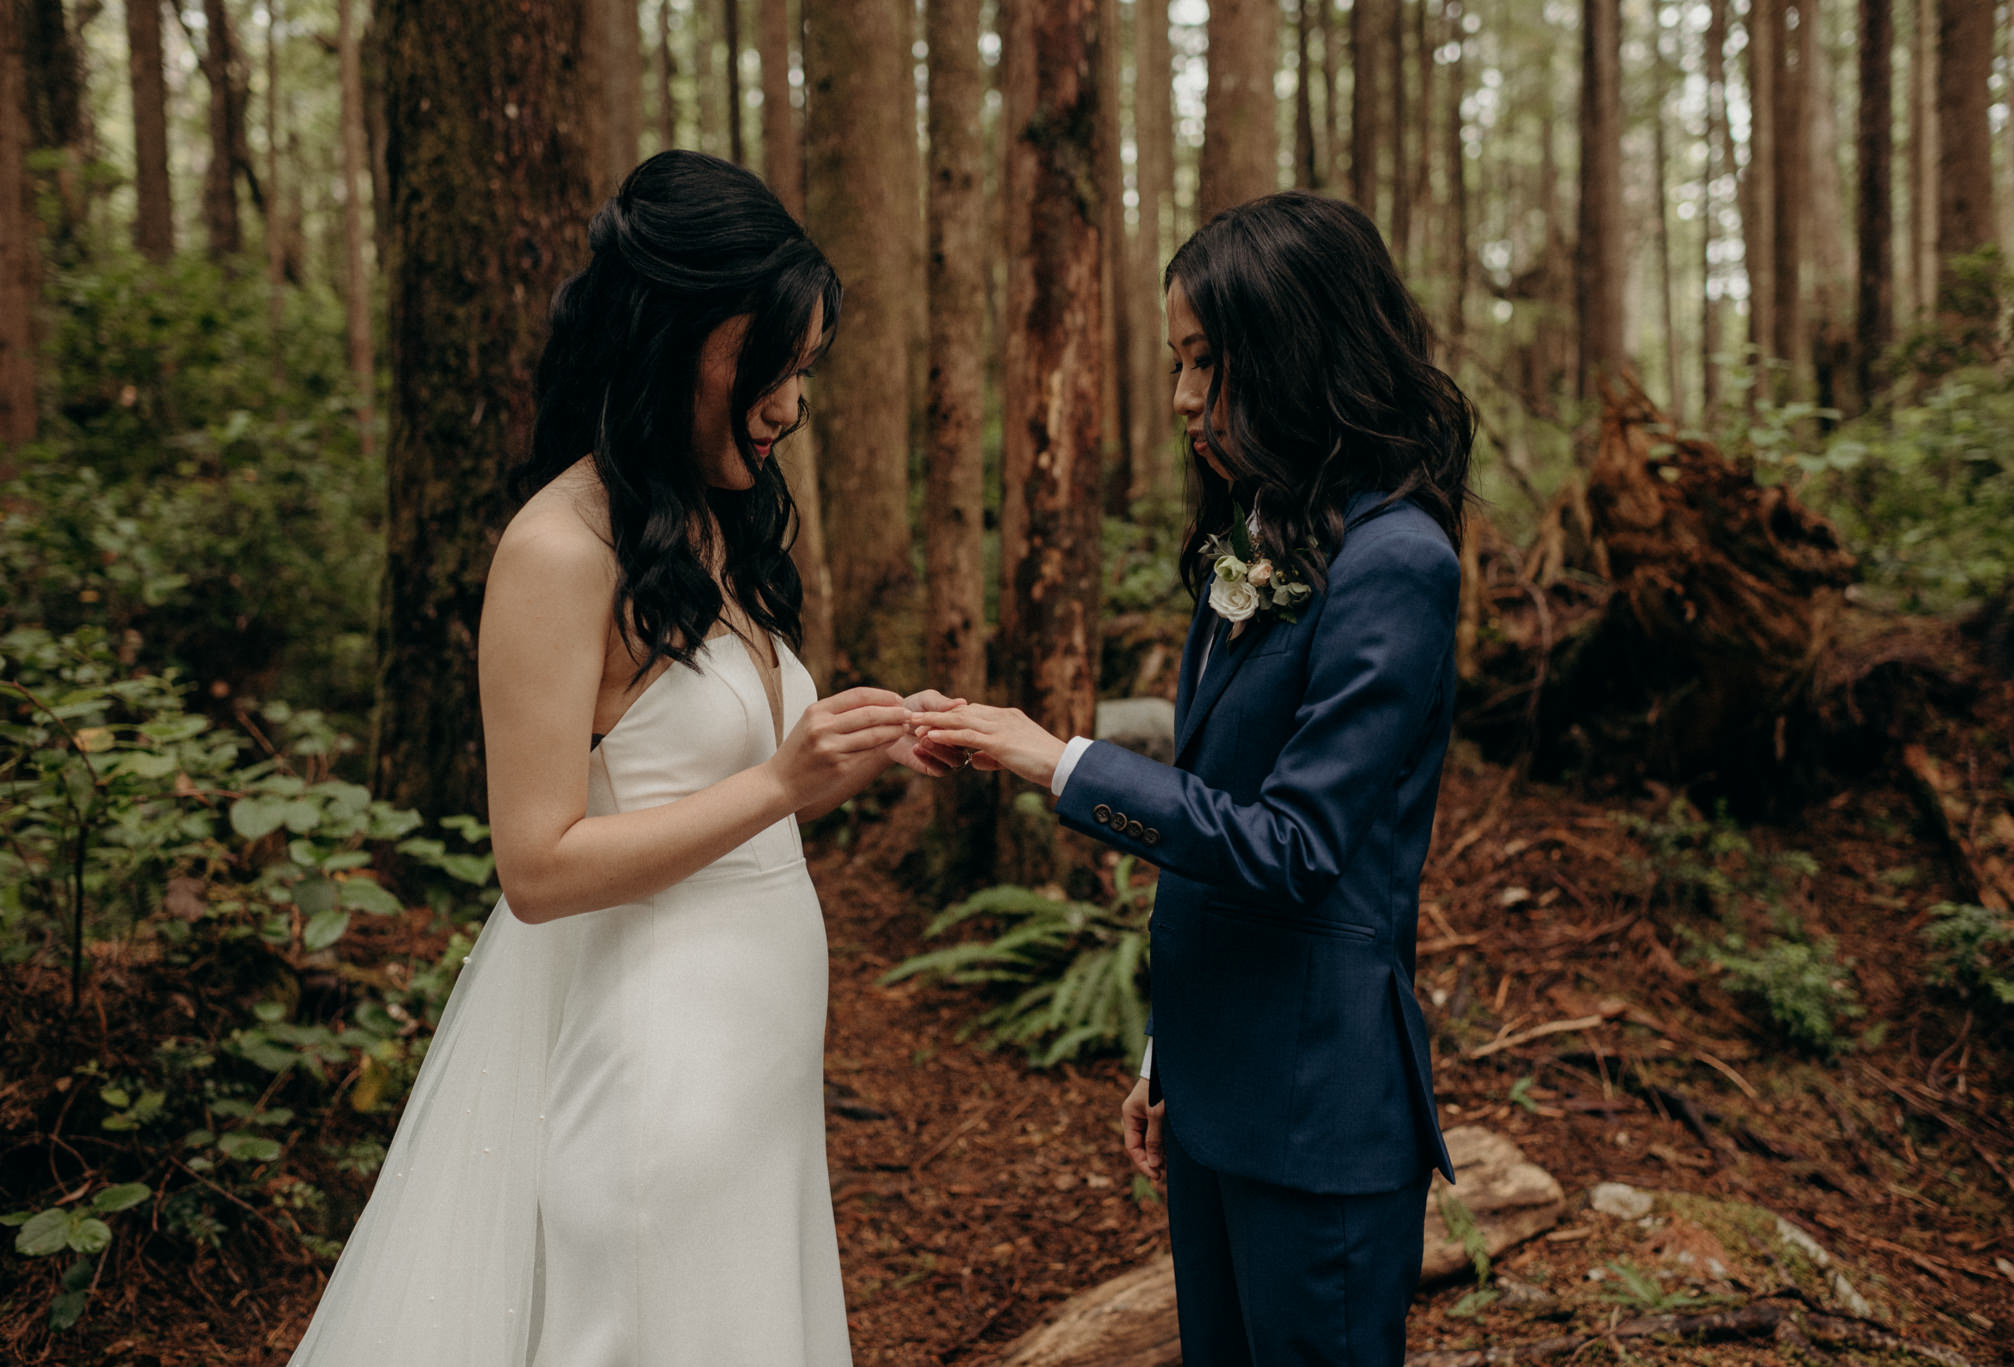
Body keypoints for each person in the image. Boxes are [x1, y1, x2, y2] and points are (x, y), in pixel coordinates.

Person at [289, 150, 960, 1367]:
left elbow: (711, 756)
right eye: (771, 365)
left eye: (804, 371)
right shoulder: (555, 550)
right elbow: (536, 867)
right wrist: (778, 784)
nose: (790, 404)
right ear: (677, 338)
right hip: (659, 1078)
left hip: (753, 1078)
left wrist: (856, 737)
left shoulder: (708, 517)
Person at [913, 190, 1475, 1367]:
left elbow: (1291, 846)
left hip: (1320, 1113)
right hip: (1219, 1089)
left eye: (1204, 362)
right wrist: (1172, 1054)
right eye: (1179, 362)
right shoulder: (1261, 542)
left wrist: (1057, 758)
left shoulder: (1396, 562)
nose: (1180, 398)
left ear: (1296, 353)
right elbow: (1217, 812)